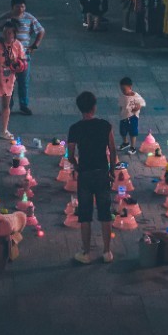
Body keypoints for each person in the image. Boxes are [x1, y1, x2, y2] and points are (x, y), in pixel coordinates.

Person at [67, 91, 117, 264]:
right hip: (102, 172)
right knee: (105, 213)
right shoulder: (105, 125)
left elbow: (70, 154)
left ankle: (86, 253)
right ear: (94, 107)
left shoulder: (75, 128)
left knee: (85, 215)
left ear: (80, 108)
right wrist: (112, 170)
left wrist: (77, 166)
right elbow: (112, 149)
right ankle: (107, 252)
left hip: (85, 174)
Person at [0, 0, 45, 116]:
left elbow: (41, 31)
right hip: (7, 57)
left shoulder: (29, 18)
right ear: (12, 7)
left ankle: (24, 105)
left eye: (22, 7)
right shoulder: (5, 18)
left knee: (23, 82)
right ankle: (8, 106)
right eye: (18, 7)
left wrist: (34, 46)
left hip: (23, 57)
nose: (20, 9)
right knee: (8, 82)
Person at [117, 76, 146, 154]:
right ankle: (125, 142)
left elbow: (142, 103)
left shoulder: (136, 96)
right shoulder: (122, 96)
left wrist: (137, 108)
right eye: (121, 89)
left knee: (132, 132)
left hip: (133, 117)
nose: (123, 91)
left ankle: (133, 147)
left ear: (130, 87)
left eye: (124, 89)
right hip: (124, 117)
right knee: (122, 131)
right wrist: (121, 111)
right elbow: (121, 104)